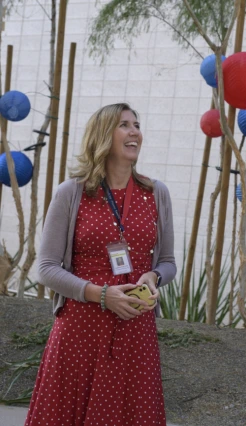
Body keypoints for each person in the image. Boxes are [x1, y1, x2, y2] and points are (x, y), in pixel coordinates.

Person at [26, 103, 176, 426]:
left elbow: (167, 262)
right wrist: (102, 295)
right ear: (103, 136)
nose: (135, 131)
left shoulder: (156, 193)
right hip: (81, 330)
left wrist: (153, 276)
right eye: (124, 125)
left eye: (137, 124)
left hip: (136, 330)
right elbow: (47, 268)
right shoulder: (72, 192)